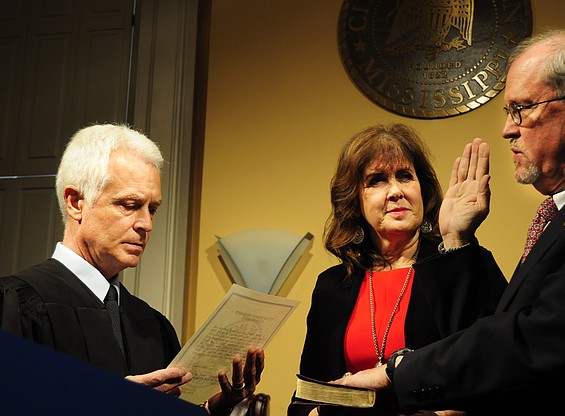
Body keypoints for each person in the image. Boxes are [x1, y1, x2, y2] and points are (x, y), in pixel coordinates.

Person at [335, 28, 565, 415]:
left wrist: (399, 369)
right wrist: (456, 237)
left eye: (521, 109)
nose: (508, 129)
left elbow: (543, 337)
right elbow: (499, 332)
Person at [0, 124, 264, 415]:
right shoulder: (16, 303)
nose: (146, 224)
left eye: (152, 209)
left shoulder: (153, 326)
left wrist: (215, 406)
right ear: (76, 203)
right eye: (129, 205)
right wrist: (113, 402)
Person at [288, 124, 507, 416]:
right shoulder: (332, 285)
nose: (395, 191)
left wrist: (457, 241)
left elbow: (492, 368)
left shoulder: (465, 260)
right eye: (377, 180)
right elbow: (306, 396)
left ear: (422, 189)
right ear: (355, 200)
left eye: (405, 176)